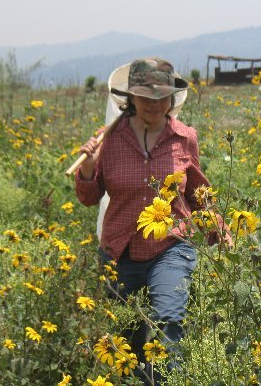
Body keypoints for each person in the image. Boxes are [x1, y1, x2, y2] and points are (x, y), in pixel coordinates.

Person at [75, 58, 219, 383]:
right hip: (119, 253)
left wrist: (219, 231)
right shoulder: (108, 139)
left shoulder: (185, 138)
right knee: (128, 342)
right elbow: (88, 198)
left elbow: (198, 192)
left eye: (161, 97)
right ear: (130, 98)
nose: (154, 104)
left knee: (168, 320)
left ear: (172, 99)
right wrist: (87, 168)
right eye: (145, 97)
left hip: (171, 246)